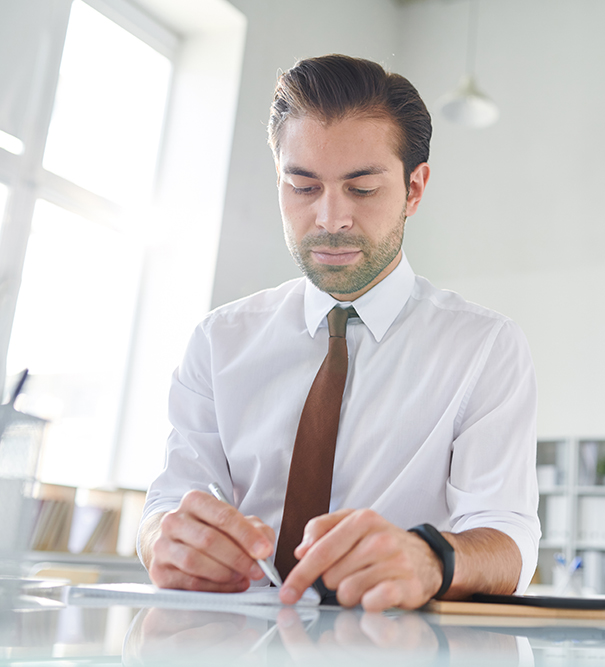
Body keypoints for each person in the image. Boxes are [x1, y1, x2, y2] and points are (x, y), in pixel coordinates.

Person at [137, 54, 540, 612]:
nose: (330, 219)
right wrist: (162, 539)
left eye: (363, 190)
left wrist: (428, 559)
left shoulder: (483, 348)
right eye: (303, 187)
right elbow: (170, 499)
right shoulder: (218, 340)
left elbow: (508, 539)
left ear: (414, 189)